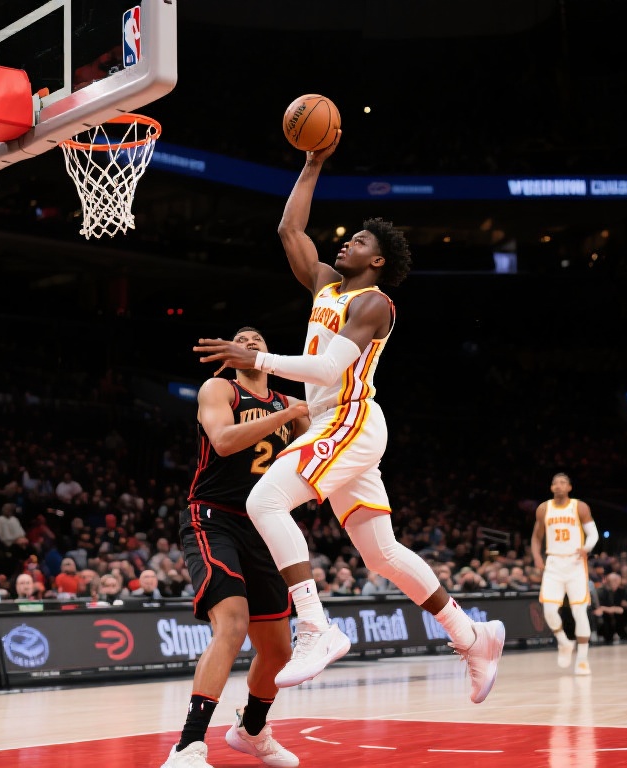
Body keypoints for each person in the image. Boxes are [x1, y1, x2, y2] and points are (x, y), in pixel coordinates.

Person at [192, 136, 505, 704]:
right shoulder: (326, 286)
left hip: (349, 419)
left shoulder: (373, 304)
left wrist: (256, 359)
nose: (346, 241)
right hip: (330, 425)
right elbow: (290, 229)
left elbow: (328, 366)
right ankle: (472, 636)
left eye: (359, 240)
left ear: (377, 261)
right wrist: (311, 165)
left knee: (265, 501)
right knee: (381, 554)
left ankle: (316, 627)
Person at [162, 326, 310, 768]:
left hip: (265, 525)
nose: (250, 342)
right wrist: (289, 416)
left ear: (269, 354)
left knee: (279, 650)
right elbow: (224, 442)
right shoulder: (220, 389)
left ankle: (252, 729)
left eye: (257, 339)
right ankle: (188, 746)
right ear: (230, 354)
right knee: (232, 624)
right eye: (241, 339)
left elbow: (313, 462)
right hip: (214, 518)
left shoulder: (290, 403)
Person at [530, 473, 599, 675]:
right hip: (553, 562)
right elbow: (536, 537)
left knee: (579, 611)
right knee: (549, 610)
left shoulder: (579, 507)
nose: (558, 485)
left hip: (575, 562)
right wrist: (537, 557)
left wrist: (586, 548)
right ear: (552, 488)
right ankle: (564, 642)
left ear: (569, 487)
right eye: (555, 483)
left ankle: (583, 660)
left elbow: (593, 533)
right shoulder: (544, 509)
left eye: (562, 482)